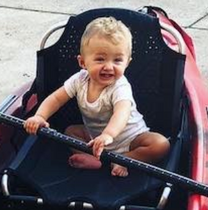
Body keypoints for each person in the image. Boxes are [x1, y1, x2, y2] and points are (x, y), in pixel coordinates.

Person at [23, 16, 170, 177]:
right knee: (71, 131)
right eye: (100, 59)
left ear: (127, 63)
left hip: (131, 139)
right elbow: (56, 99)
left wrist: (108, 134)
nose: (108, 66)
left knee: (160, 145)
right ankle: (92, 157)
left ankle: (124, 159)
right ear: (83, 62)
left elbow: (122, 113)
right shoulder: (79, 80)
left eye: (117, 60)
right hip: (95, 140)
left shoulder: (120, 86)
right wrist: (39, 116)